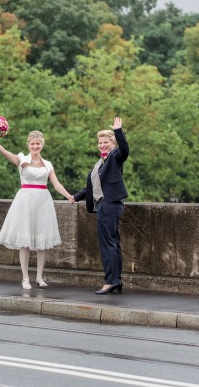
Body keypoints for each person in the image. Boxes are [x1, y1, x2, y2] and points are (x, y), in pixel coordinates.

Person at [0, 128, 73, 290]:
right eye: (32, 144)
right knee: (24, 242)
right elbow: (5, 153)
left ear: (42, 145)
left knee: (42, 242)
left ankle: (39, 276)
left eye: (38, 143)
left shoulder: (47, 164)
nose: (35, 146)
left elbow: (56, 184)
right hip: (25, 201)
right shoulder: (21, 159)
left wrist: (69, 196)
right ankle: (25, 278)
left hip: (43, 201)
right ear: (28, 145)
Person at [70, 117, 129, 295]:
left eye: (106, 142)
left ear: (112, 143)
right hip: (104, 205)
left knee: (107, 244)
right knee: (113, 243)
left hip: (109, 204)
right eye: (100, 143)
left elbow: (125, 150)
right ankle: (116, 280)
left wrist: (118, 131)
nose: (102, 145)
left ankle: (110, 281)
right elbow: (91, 186)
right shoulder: (100, 163)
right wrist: (76, 196)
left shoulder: (115, 157)